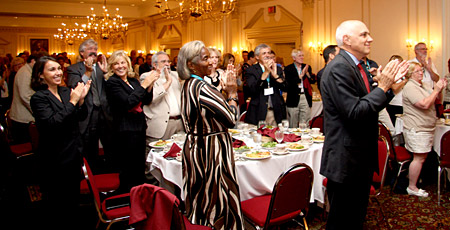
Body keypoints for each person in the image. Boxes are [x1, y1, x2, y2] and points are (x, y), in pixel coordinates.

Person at [320, 20, 405, 229]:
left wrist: (390, 90)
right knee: (342, 221)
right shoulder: (339, 68)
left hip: (358, 157)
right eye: (364, 34)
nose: (371, 38)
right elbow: (355, 112)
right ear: (347, 40)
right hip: (345, 159)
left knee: (356, 219)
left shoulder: (357, 66)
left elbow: (368, 106)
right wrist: (382, 87)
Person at [177, 40, 243, 229]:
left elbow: (208, 110)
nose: (211, 63)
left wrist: (220, 93)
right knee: (217, 199)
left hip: (196, 147)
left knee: (202, 199)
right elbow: (231, 119)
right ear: (191, 64)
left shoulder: (189, 84)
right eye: (205, 58)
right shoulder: (203, 88)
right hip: (212, 151)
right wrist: (231, 93)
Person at [30, 56, 91, 230]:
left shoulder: (65, 91)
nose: (58, 72)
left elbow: (80, 117)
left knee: (73, 200)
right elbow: (52, 125)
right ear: (40, 75)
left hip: (73, 153)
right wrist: (73, 101)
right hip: (54, 157)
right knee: (56, 203)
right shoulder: (39, 98)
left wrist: (80, 101)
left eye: (59, 68)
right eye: (52, 70)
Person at [105, 50, 155, 193]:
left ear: (128, 64)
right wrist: (144, 85)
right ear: (112, 67)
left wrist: (150, 85)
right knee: (129, 167)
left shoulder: (133, 81)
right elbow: (128, 103)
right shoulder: (112, 83)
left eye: (123, 63)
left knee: (139, 165)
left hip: (139, 127)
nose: (120, 66)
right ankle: (129, 198)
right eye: (116, 64)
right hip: (125, 130)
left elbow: (145, 100)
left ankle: (140, 196)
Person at [67, 39, 113, 174]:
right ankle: (92, 177)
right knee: (90, 147)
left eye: (95, 48)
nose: (94, 51)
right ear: (82, 53)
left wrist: (105, 73)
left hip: (105, 112)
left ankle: (110, 175)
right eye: (90, 49)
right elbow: (76, 89)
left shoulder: (101, 67)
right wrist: (87, 73)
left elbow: (112, 87)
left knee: (109, 145)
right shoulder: (74, 69)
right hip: (87, 113)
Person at [402, 61, 447, 197]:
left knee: (422, 157)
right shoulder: (410, 87)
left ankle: (414, 181)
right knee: (419, 158)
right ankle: (412, 187)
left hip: (425, 127)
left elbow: (434, 99)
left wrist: (439, 89)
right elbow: (425, 104)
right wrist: (436, 90)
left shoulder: (423, 85)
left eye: (421, 70)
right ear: (410, 74)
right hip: (417, 128)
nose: (421, 72)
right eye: (417, 71)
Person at [141, 51, 184, 179]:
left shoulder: (176, 75)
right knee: (154, 165)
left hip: (178, 123)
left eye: (168, 61)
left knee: (178, 159)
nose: (167, 64)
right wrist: (167, 84)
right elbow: (149, 98)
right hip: (160, 126)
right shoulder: (146, 76)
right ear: (154, 65)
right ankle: (154, 194)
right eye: (163, 62)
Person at [244, 43, 286, 126]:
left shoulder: (277, 68)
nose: (267, 55)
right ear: (257, 57)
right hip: (259, 110)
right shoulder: (251, 70)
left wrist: (276, 76)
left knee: (275, 136)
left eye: (269, 53)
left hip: (276, 110)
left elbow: (285, 87)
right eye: (264, 53)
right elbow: (252, 89)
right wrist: (265, 73)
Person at [9, 55, 37, 144]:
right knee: (26, 144)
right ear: (33, 61)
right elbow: (25, 96)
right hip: (22, 119)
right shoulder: (25, 73)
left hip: (24, 117)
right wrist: (38, 112)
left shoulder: (28, 71)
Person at [284, 49, 316, 127]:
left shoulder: (307, 67)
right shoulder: (288, 69)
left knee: (305, 121)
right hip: (293, 97)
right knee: (293, 122)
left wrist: (308, 74)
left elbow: (312, 81)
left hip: (305, 96)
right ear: (294, 58)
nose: (302, 57)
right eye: (299, 56)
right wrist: (301, 75)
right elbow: (290, 84)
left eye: (302, 55)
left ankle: (305, 137)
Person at [387, 55, 409, 124]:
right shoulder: (389, 75)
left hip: (404, 105)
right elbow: (394, 88)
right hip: (394, 105)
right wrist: (404, 81)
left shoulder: (405, 75)